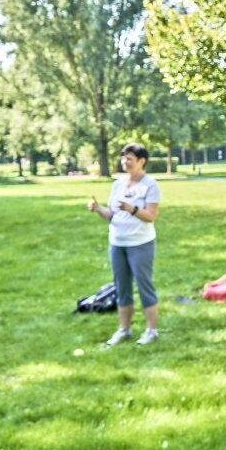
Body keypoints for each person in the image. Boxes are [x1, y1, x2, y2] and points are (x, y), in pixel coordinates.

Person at [87, 143, 162, 346]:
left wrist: (132, 209)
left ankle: (151, 331)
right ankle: (124, 330)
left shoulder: (150, 185)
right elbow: (111, 215)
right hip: (117, 243)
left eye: (129, 158)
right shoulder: (118, 184)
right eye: (123, 158)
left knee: (144, 285)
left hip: (140, 243)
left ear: (141, 161)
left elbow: (151, 216)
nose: (125, 162)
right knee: (122, 288)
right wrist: (97, 208)